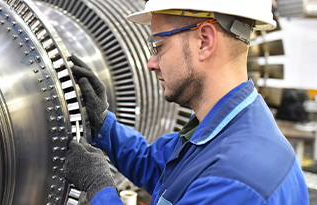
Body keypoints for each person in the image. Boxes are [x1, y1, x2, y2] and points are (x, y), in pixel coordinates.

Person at [63, 0, 309, 204]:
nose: (151, 63)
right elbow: (155, 166)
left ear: (204, 41)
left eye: (158, 47)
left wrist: (100, 188)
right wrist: (105, 126)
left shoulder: (235, 180)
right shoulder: (222, 128)